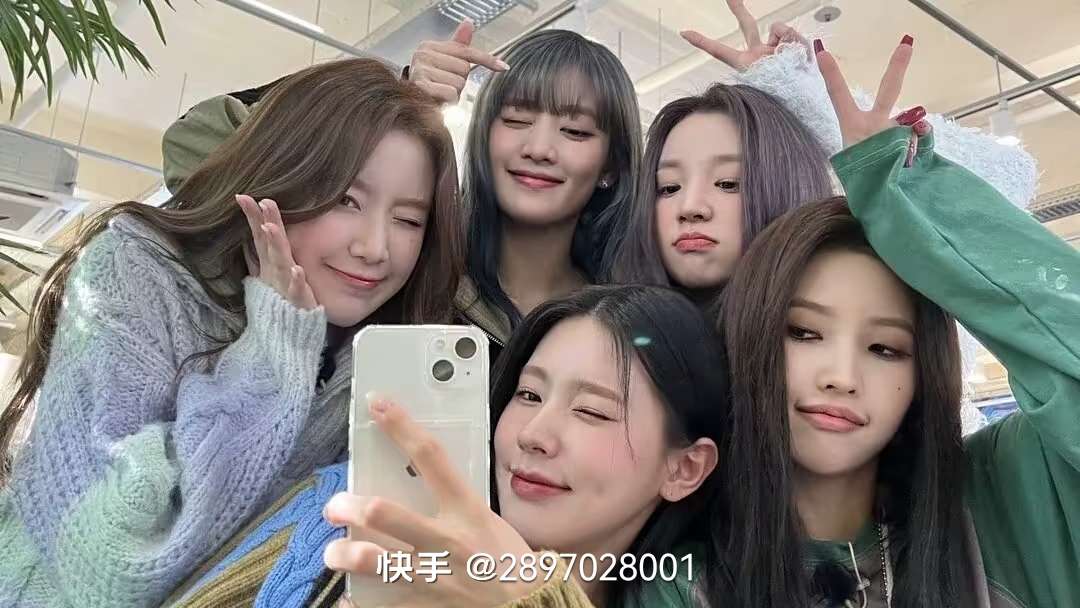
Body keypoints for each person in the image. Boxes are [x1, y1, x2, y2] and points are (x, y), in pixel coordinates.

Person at [0, 58, 464, 608]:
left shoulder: (379, 359)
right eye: (346, 199)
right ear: (281, 177)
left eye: (408, 220)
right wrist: (274, 350)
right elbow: (111, 562)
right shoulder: (136, 272)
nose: (375, 248)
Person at [719, 36, 1080, 608]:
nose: (841, 377)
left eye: (885, 349)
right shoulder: (682, 575)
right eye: (804, 333)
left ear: (923, 372)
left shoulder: (998, 498)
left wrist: (908, 196)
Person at [168, 286, 732, 608]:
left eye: (592, 411)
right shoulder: (340, 512)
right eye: (528, 394)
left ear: (685, 468)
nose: (533, 433)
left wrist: (534, 597)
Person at [161, 26, 643, 359]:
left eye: (575, 132)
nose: (538, 148)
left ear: (612, 165)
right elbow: (192, 146)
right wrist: (393, 99)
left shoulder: (626, 311)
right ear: (483, 135)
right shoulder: (411, 257)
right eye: (516, 119)